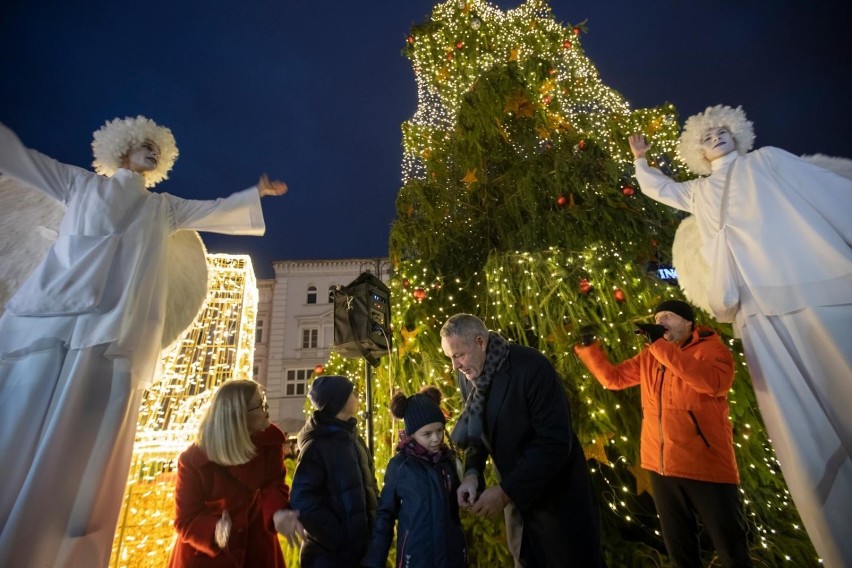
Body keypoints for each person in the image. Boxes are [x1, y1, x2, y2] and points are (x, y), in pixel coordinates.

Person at [0, 116, 287, 567]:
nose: (152, 151)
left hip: (113, 334)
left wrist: (255, 195)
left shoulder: (163, 209)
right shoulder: (78, 185)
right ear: (121, 148)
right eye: (144, 145)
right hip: (53, 321)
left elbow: (212, 210)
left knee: (87, 443)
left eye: (158, 148)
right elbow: (22, 161)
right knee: (23, 416)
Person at [628, 105, 851, 567]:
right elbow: (660, 189)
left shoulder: (765, 162)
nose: (716, 135)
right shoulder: (701, 191)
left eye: (722, 129)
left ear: (739, 134)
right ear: (696, 151)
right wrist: (641, 162)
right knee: (801, 421)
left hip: (801, 282)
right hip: (751, 303)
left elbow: (818, 184)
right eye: (705, 135)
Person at [575, 299, 752, 567]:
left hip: (706, 467)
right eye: (658, 317)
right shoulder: (651, 356)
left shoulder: (712, 350)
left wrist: (658, 347)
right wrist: (589, 348)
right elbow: (614, 379)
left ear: (688, 322)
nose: (660, 322)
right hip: (661, 467)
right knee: (681, 552)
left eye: (668, 316)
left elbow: (714, 384)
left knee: (731, 550)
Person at [440, 313, 603, 567]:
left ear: (481, 342)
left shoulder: (532, 367)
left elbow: (555, 442)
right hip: (519, 509)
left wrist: (505, 492)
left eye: (458, 355)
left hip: (559, 504)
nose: (455, 366)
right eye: (450, 358)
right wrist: (472, 472)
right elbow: (477, 429)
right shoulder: (468, 375)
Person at [168, 380, 303, 567]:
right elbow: (185, 518)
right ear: (238, 416)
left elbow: (273, 485)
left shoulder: (268, 443)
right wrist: (214, 530)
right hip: (209, 557)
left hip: (257, 548)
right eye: (259, 404)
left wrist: (278, 512)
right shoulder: (193, 461)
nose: (267, 407)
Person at [362, 386, 467, 568]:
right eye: (427, 434)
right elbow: (385, 515)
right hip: (416, 557)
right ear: (412, 434)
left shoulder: (448, 462)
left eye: (440, 431)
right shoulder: (401, 467)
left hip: (452, 556)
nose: (436, 439)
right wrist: (374, 562)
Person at [289, 375, 379, 568]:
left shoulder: (353, 438)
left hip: (362, 553)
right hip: (330, 557)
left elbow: (369, 484)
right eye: (351, 392)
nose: (357, 395)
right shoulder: (317, 446)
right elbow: (303, 500)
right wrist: (339, 536)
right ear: (339, 401)